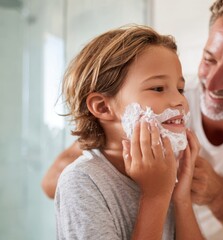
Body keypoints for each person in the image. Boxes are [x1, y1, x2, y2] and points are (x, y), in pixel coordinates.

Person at [42, 0, 223, 239]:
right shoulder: (95, 174)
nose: (207, 85)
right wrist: (151, 191)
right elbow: (70, 172)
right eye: (208, 60)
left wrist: (194, 195)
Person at [54, 25, 204, 240]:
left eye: (180, 89)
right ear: (103, 107)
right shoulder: (82, 181)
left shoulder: (166, 168)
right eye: (158, 88)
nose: (180, 100)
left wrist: (181, 198)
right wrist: (156, 196)